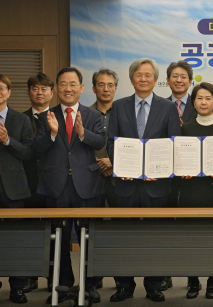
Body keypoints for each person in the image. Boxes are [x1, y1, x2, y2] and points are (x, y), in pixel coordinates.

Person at [106, 58, 181, 303]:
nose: (144, 78)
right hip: (126, 184)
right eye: (139, 74)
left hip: (156, 185)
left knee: (154, 236)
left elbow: (173, 144)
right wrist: (120, 167)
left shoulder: (167, 107)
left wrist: (159, 169)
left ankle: (153, 285)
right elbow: (111, 142)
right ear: (131, 79)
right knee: (124, 237)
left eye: (148, 75)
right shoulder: (118, 106)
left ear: (156, 80)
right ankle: (124, 285)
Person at [34, 67, 106, 304]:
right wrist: (52, 134)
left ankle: (89, 285)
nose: (68, 88)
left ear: (82, 88)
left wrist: (83, 133)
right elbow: (38, 148)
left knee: (89, 238)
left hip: (87, 185)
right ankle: (62, 285)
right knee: (59, 239)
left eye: (73, 84)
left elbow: (101, 141)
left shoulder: (93, 115)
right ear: (56, 89)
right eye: (63, 84)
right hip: (56, 186)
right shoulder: (47, 116)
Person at [0, 73, 34, 304]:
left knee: (16, 239)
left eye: (2, 88)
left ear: (9, 92)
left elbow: (30, 154)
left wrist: (9, 140)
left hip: (15, 189)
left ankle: (17, 287)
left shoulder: (21, 120)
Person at [179, 82, 213, 300]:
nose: (204, 102)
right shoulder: (184, 129)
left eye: (208, 98)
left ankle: (211, 282)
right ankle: (192, 281)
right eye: (199, 98)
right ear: (193, 102)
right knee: (190, 237)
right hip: (190, 188)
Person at [163, 60, 198, 290]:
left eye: (183, 76)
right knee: (166, 227)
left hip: (192, 178)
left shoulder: (201, 103)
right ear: (167, 80)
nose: (179, 80)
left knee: (191, 228)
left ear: (190, 81)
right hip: (164, 177)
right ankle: (164, 275)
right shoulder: (158, 105)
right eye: (174, 76)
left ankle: (193, 278)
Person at [21, 73, 54, 293]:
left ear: (52, 92)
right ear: (29, 92)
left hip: (55, 184)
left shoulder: (61, 117)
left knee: (55, 232)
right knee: (29, 233)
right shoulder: (18, 118)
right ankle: (29, 278)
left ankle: (54, 279)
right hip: (28, 183)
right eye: (35, 88)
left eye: (44, 89)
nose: (39, 92)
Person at [90, 68, 118, 208]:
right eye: (101, 85)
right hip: (91, 177)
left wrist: (113, 161)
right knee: (92, 224)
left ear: (115, 88)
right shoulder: (84, 115)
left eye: (110, 85)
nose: (106, 89)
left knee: (121, 223)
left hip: (119, 178)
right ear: (94, 89)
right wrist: (99, 164)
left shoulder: (125, 114)